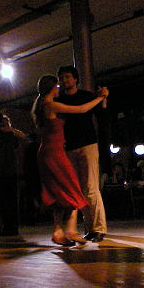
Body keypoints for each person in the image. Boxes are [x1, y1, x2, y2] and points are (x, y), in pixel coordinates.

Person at [32, 75, 108, 246]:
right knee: (73, 191)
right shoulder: (51, 105)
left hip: (47, 152)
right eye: (57, 86)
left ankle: (58, 231)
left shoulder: (40, 107)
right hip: (55, 153)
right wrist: (100, 97)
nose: (59, 88)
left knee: (59, 193)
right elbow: (81, 109)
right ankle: (71, 231)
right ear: (52, 88)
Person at [56, 65, 107, 242]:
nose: (64, 80)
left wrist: (103, 98)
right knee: (79, 190)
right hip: (70, 147)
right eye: (62, 78)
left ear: (75, 79)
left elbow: (101, 113)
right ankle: (90, 228)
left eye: (67, 77)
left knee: (91, 188)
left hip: (88, 144)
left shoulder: (86, 96)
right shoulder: (60, 99)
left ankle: (99, 228)